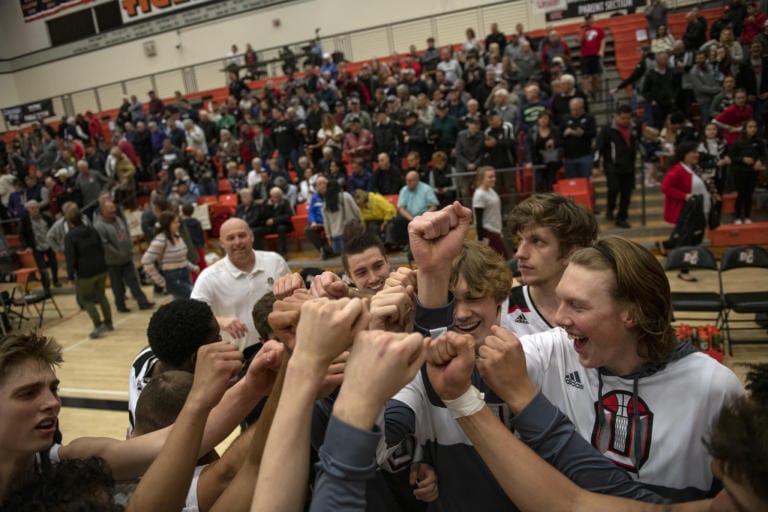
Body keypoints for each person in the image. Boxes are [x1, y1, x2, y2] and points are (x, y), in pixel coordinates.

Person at [502, 193, 598, 336]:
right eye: (520, 241)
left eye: (537, 241)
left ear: (571, 253)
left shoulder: (602, 309)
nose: (520, 253)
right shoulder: (502, 308)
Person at [191, 218, 289, 348]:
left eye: (242, 235)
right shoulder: (209, 277)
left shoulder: (275, 262)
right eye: (231, 238)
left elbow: (293, 296)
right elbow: (194, 316)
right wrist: (220, 322)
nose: (237, 242)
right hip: (238, 355)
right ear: (222, 243)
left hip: (280, 347)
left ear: (252, 236)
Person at [128, 298, 221, 432]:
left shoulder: (145, 356)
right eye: (217, 338)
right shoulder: (175, 406)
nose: (224, 343)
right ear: (195, 359)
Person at [657, 142, 715, 270]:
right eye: (693, 152)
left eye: (697, 152)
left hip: (698, 210)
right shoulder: (678, 169)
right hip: (686, 211)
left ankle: (667, 246)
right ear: (685, 155)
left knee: (695, 237)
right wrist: (684, 196)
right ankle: (682, 267)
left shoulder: (695, 168)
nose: (697, 154)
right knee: (687, 240)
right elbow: (665, 187)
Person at [94, 200, 154, 313]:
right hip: (113, 261)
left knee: (133, 281)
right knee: (117, 286)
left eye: (113, 207)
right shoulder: (99, 226)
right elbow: (104, 244)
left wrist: (130, 247)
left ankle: (143, 302)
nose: (113, 210)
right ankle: (120, 305)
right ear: (103, 211)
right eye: (110, 208)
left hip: (127, 258)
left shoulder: (118, 219)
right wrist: (118, 253)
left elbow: (126, 233)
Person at [64, 205, 112, 338]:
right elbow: (101, 248)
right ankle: (109, 323)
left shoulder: (70, 236)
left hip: (85, 272)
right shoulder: (92, 230)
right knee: (102, 296)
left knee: (85, 299)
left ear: (69, 221)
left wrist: (69, 276)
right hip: (101, 268)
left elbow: (70, 258)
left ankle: (98, 325)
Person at [594, 104, 639, 228]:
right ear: (617, 116)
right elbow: (598, 148)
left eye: (628, 118)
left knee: (627, 193)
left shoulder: (634, 128)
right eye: (623, 118)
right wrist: (595, 165)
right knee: (613, 188)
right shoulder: (607, 129)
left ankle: (622, 217)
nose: (626, 121)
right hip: (612, 165)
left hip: (629, 166)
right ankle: (610, 208)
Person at [141, 211, 197, 300]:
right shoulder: (160, 240)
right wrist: (160, 281)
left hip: (185, 273)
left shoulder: (177, 236)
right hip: (173, 277)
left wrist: (192, 267)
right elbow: (146, 261)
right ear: (167, 224)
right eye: (175, 222)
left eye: (178, 222)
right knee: (194, 298)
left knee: (185, 303)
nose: (178, 224)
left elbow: (181, 258)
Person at [728, 118, 767, 224]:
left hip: (752, 171)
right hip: (739, 171)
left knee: (749, 194)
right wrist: (742, 159)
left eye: (754, 127)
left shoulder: (760, 142)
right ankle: (737, 217)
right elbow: (731, 157)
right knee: (741, 194)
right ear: (745, 129)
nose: (753, 129)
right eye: (750, 127)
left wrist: (760, 161)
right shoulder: (738, 142)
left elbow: (764, 155)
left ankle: (747, 216)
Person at [19, 200, 60, 293]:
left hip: (48, 244)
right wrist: (26, 246)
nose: (35, 210)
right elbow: (21, 234)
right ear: (28, 210)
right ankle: (46, 286)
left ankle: (56, 281)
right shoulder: (25, 220)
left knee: (54, 263)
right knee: (41, 268)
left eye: (37, 207)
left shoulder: (46, 218)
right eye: (32, 208)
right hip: (36, 246)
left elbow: (53, 230)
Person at [472, 167, 507, 259]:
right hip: (488, 231)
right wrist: (481, 239)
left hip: (496, 230)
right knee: (502, 258)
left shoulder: (491, 190)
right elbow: (478, 219)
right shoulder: (479, 195)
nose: (493, 179)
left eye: (494, 176)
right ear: (481, 179)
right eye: (490, 177)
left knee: (501, 259)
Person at [525, 110, 562, 193]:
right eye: (541, 118)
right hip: (537, 161)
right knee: (538, 184)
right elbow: (528, 147)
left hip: (552, 161)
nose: (543, 120)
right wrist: (529, 160)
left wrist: (554, 142)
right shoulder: (532, 131)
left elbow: (561, 143)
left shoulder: (555, 130)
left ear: (549, 120)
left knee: (551, 184)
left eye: (545, 118)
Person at [322, 178, 361, 256]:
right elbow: (356, 210)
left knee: (344, 258)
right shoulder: (345, 196)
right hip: (350, 231)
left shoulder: (325, 203)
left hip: (336, 234)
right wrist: (360, 220)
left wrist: (328, 236)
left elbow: (326, 222)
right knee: (355, 255)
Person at [252, 187, 294, 256]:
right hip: (269, 227)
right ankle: (259, 254)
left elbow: (288, 215)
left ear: (280, 196)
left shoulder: (285, 202)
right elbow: (260, 217)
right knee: (255, 231)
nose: (275, 199)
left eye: (277, 197)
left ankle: (283, 253)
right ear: (271, 196)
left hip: (282, 225)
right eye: (274, 197)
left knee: (281, 228)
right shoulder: (267, 203)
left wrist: (274, 220)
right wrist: (267, 207)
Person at [579, 15, 606, 99]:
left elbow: (603, 40)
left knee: (595, 75)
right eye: (586, 19)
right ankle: (587, 92)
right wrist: (583, 29)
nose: (588, 20)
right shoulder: (582, 30)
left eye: (589, 19)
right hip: (585, 55)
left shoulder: (599, 30)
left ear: (592, 19)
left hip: (595, 54)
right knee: (585, 75)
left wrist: (601, 50)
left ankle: (594, 91)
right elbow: (580, 41)